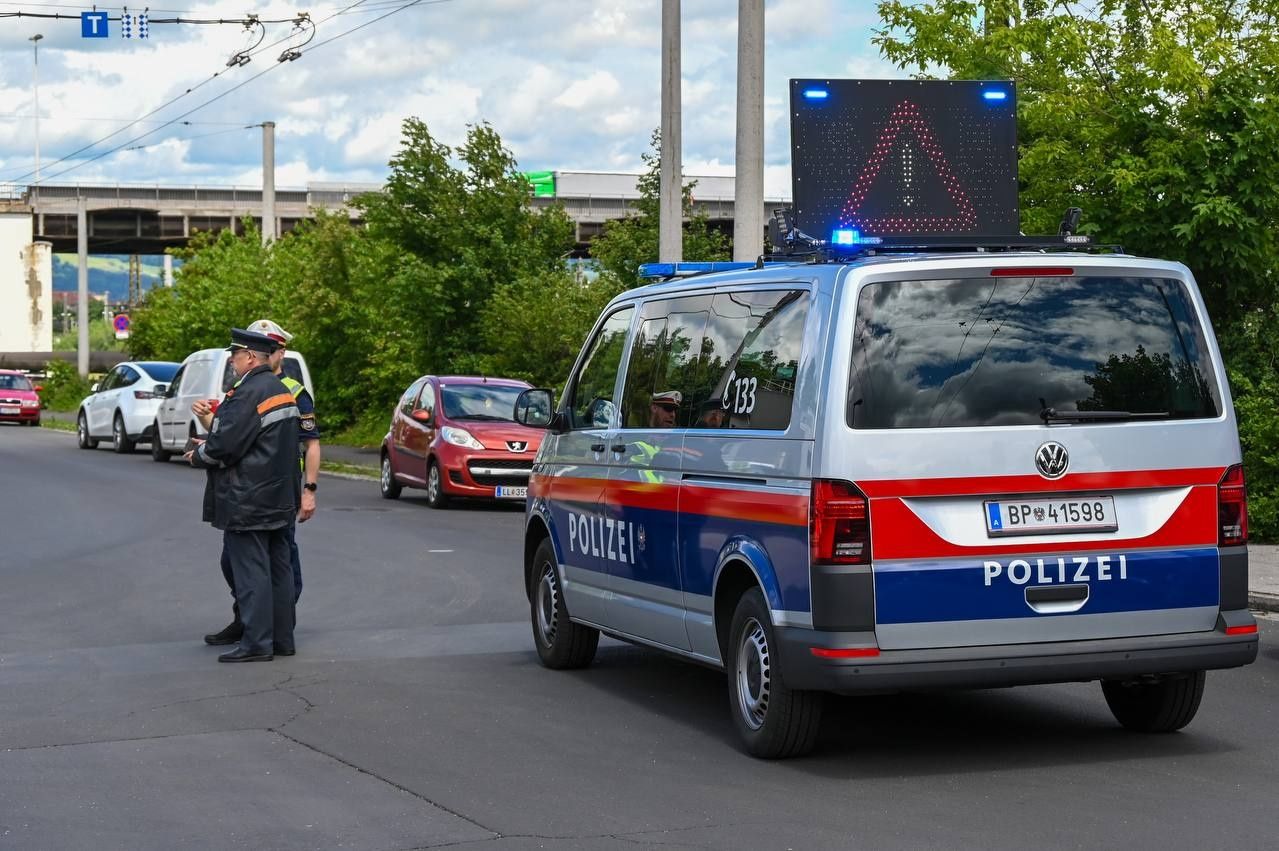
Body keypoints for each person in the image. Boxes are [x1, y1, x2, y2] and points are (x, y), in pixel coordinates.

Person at [200, 318, 320, 647]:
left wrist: (309, 490)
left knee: (260, 568)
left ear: (257, 355)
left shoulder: (265, 390)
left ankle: (258, 638)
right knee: (266, 566)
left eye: (236, 354)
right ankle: (273, 634)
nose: (232, 360)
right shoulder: (274, 390)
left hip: (254, 496)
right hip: (279, 493)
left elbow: (228, 443)